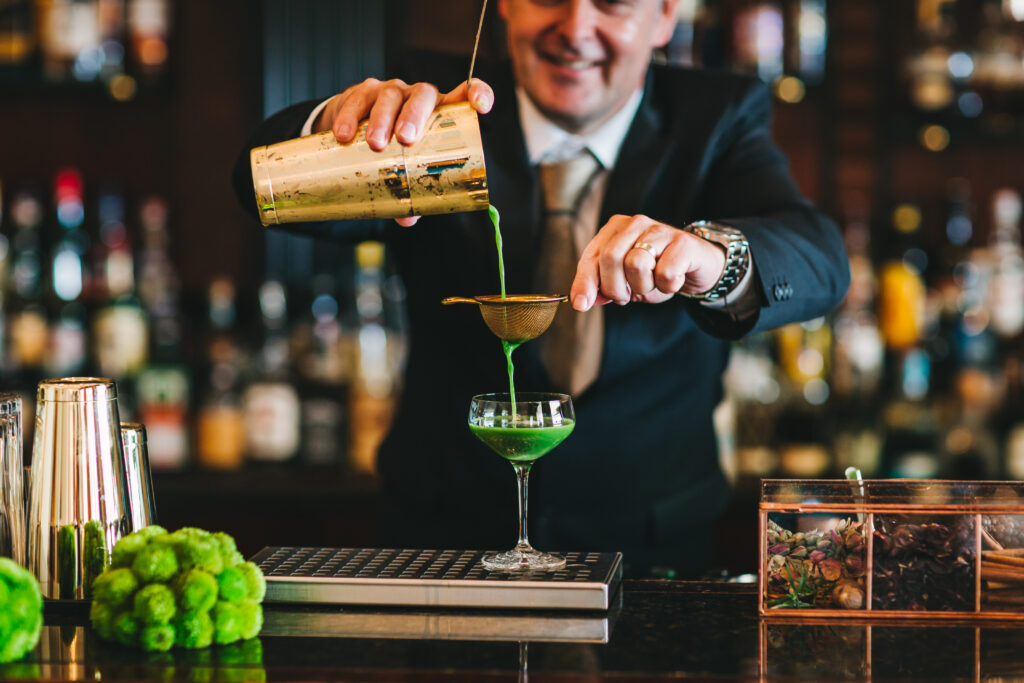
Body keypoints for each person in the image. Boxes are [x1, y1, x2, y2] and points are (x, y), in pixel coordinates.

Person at [233, 0, 850, 577]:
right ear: (503, 3)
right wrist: (335, 130)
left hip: (653, 554)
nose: (576, 28)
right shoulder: (437, 114)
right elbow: (251, 183)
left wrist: (715, 257)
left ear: (665, 15)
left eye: (612, 2)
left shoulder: (717, 116)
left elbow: (820, 258)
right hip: (442, 548)